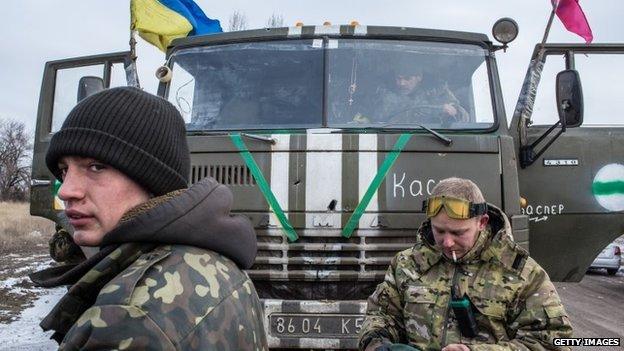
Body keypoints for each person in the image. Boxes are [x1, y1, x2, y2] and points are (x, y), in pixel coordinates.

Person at [30, 87, 268, 350]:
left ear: (152, 181)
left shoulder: (127, 318)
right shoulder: (220, 264)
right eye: (64, 170)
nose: (65, 190)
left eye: (96, 167)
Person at [358, 177, 572, 351]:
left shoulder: (521, 273)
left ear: (482, 222)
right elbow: (380, 316)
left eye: (458, 232)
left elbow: (553, 341)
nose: (447, 242)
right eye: (439, 231)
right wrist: (379, 345)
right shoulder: (408, 264)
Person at [373, 67, 469, 125]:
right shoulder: (385, 92)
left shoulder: (438, 92)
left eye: (407, 78)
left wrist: (454, 111)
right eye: (398, 78)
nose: (402, 83)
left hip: (430, 140)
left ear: (419, 77)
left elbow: (463, 117)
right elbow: (377, 117)